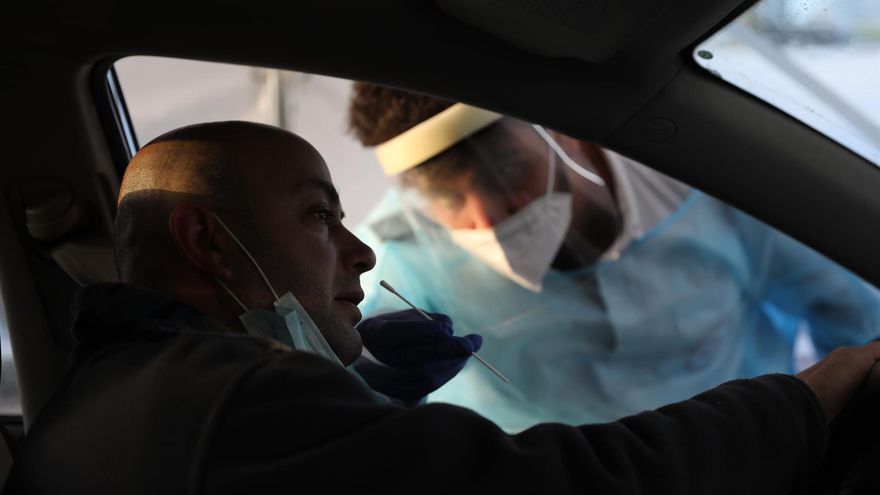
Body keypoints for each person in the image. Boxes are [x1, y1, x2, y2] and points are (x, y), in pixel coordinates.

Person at [8, 120, 880, 494]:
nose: (361, 254)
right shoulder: (227, 399)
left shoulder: (114, 396)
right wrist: (805, 400)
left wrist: (369, 408)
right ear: (205, 242)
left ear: (565, 143)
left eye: (511, 176)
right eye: (319, 215)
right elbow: (555, 488)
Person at [348, 83, 880, 431]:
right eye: (449, 198)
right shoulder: (402, 251)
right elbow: (343, 385)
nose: (489, 221)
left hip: (740, 456)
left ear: (562, 133)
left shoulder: (708, 186)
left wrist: (834, 436)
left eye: (509, 171)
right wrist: (370, 372)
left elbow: (855, 318)